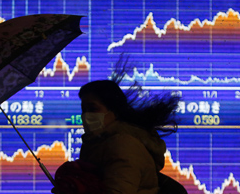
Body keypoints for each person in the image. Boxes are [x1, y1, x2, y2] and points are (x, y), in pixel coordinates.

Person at [53, 61, 181, 194]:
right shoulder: (101, 143)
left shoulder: (122, 145)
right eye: (84, 110)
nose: (86, 115)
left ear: (113, 111)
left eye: (93, 109)